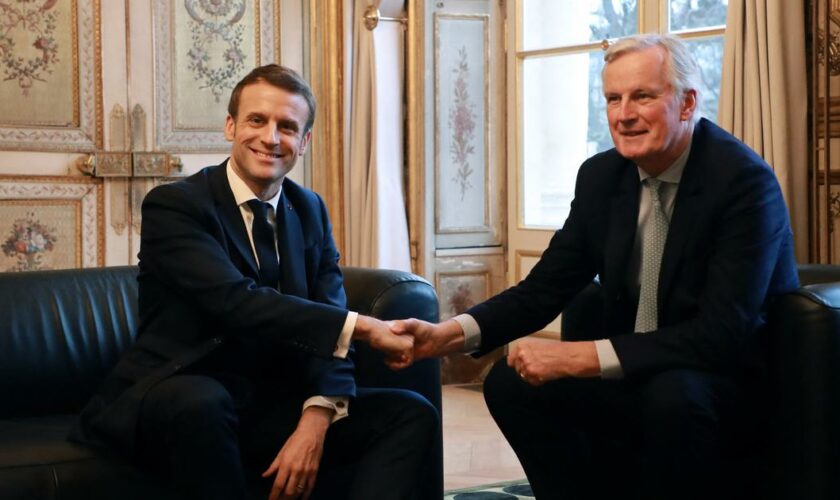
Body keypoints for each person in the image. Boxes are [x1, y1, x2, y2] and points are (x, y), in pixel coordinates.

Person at [392, 34, 799, 500]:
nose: (623, 115)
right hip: (637, 371)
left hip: (722, 379)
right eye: (612, 98)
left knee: (672, 398)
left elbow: (721, 333)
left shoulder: (743, 183)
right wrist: (447, 336)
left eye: (642, 96)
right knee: (510, 383)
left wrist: (581, 357)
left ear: (687, 103)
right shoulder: (602, 176)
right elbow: (544, 288)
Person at [70, 64, 438, 500]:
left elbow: (330, 317)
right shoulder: (176, 205)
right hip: (180, 393)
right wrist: (365, 327)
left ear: (304, 141)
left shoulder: (309, 209)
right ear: (231, 126)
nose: (271, 138)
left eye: (287, 126)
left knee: (411, 412)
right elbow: (235, 301)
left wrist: (317, 417)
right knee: (202, 401)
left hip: (268, 404)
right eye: (257, 120)